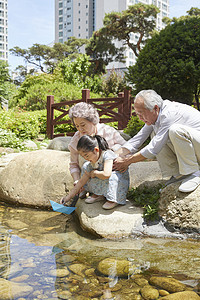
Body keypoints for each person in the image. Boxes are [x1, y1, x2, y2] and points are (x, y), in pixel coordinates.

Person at [114, 89, 200, 193]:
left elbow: (153, 148)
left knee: (175, 130)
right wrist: (113, 156)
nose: (140, 118)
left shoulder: (169, 114)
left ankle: (194, 173)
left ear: (155, 108)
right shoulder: (156, 116)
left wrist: (127, 161)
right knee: (156, 134)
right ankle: (179, 175)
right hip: (195, 148)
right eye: (137, 114)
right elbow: (138, 138)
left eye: (141, 113)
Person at [68, 102, 126, 197]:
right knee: (84, 154)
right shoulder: (76, 140)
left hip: (108, 173)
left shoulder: (108, 131)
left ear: (93, 121)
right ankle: (85, 187)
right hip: (89, 175)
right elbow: (73, 164)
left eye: (83, 125)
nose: (80, 129)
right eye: (77, 126)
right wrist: (77, 180)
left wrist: (121, 159)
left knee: (116, 149)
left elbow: (126, 147)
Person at [61, 135, 129, 209]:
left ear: (96, 150)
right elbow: (81, 182)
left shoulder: (107, 155)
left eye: (86, 155)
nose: (86, 158)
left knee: (112, 177)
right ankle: (99, 194)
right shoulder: (91, 162)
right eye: (83, 156)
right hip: (103, 176)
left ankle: (114, 199)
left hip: (117, 180)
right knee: (86, 167)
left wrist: (95, 173)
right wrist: (68, 197)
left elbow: (107, 174)